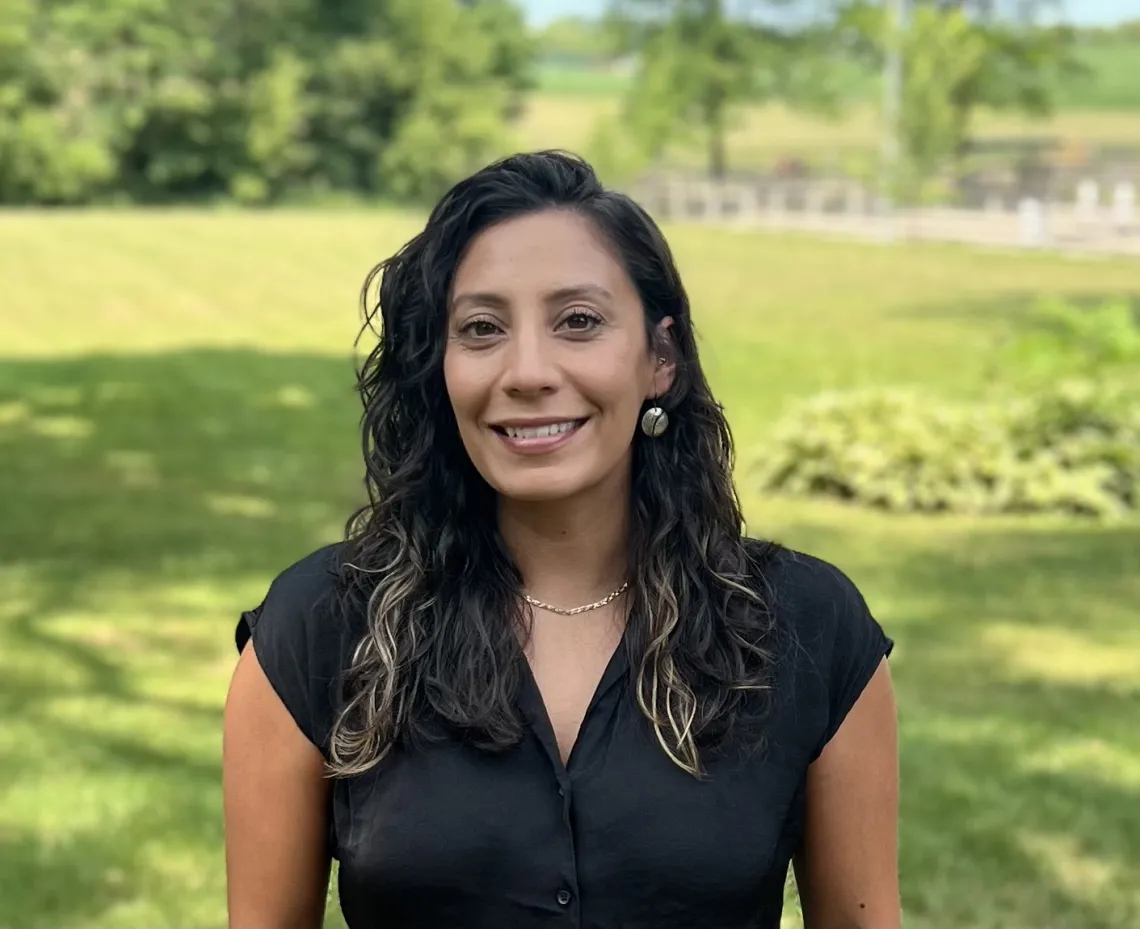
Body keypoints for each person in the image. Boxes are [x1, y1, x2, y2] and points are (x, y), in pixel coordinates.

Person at [222, 150, 899, 929]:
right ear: (439, 367)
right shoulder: (319, 628)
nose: (528, 371)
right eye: (481, 329)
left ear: (661, 358)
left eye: (578, 321)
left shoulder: (808, 630)